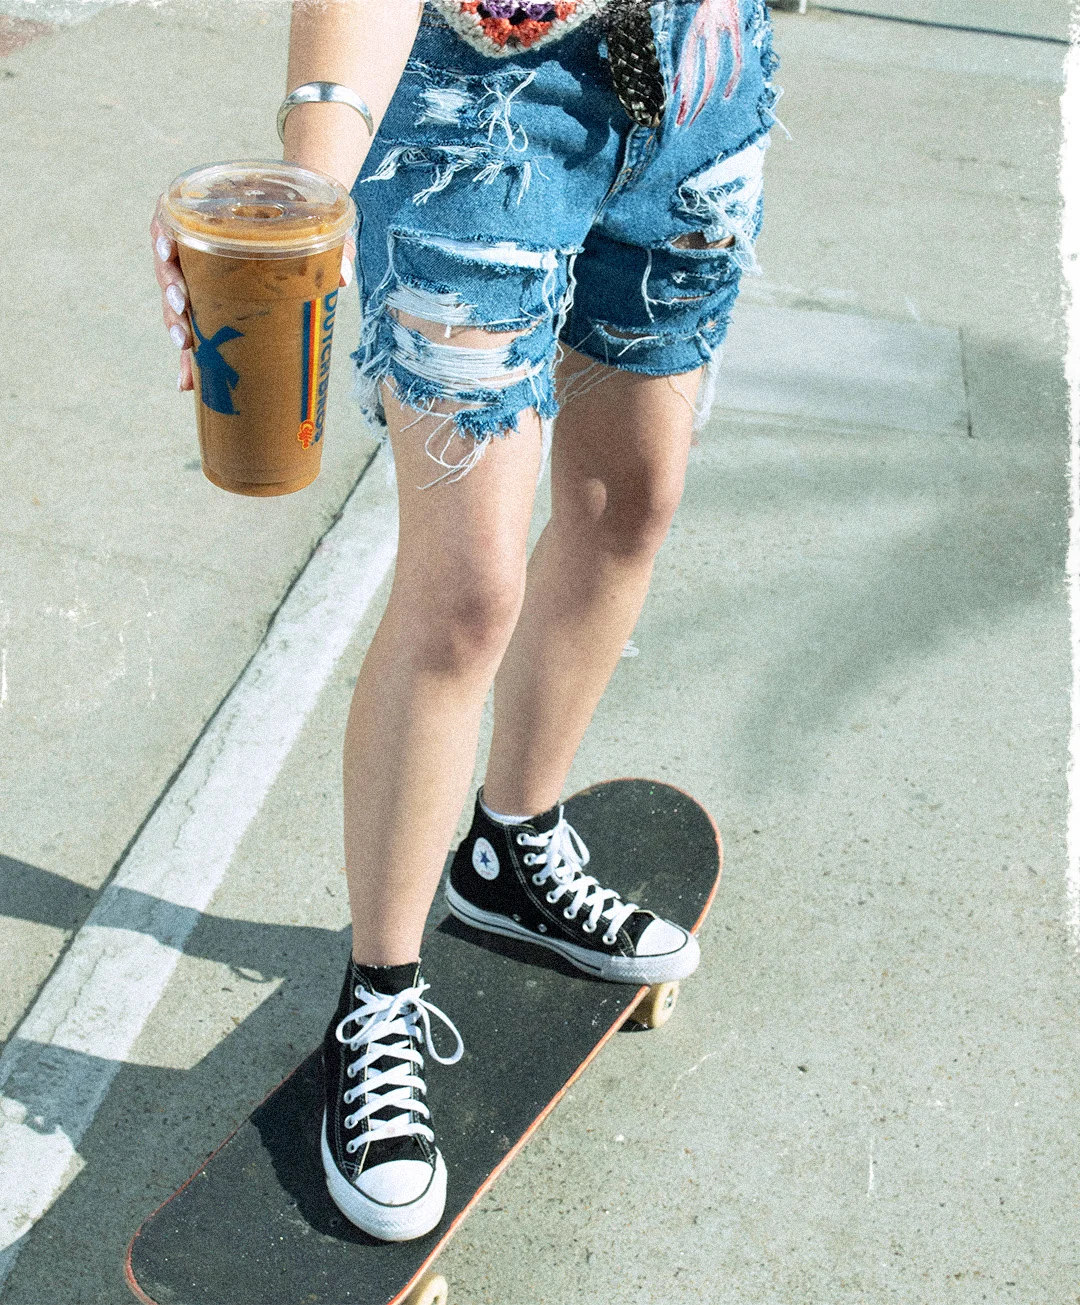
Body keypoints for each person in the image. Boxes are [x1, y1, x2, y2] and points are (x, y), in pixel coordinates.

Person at [151, 0, 779, 1243]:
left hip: (702, 71)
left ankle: (512, 853)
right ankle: (377, 998)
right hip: (480, 115)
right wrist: (312, 183)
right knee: (466, 592)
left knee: (629, 505)